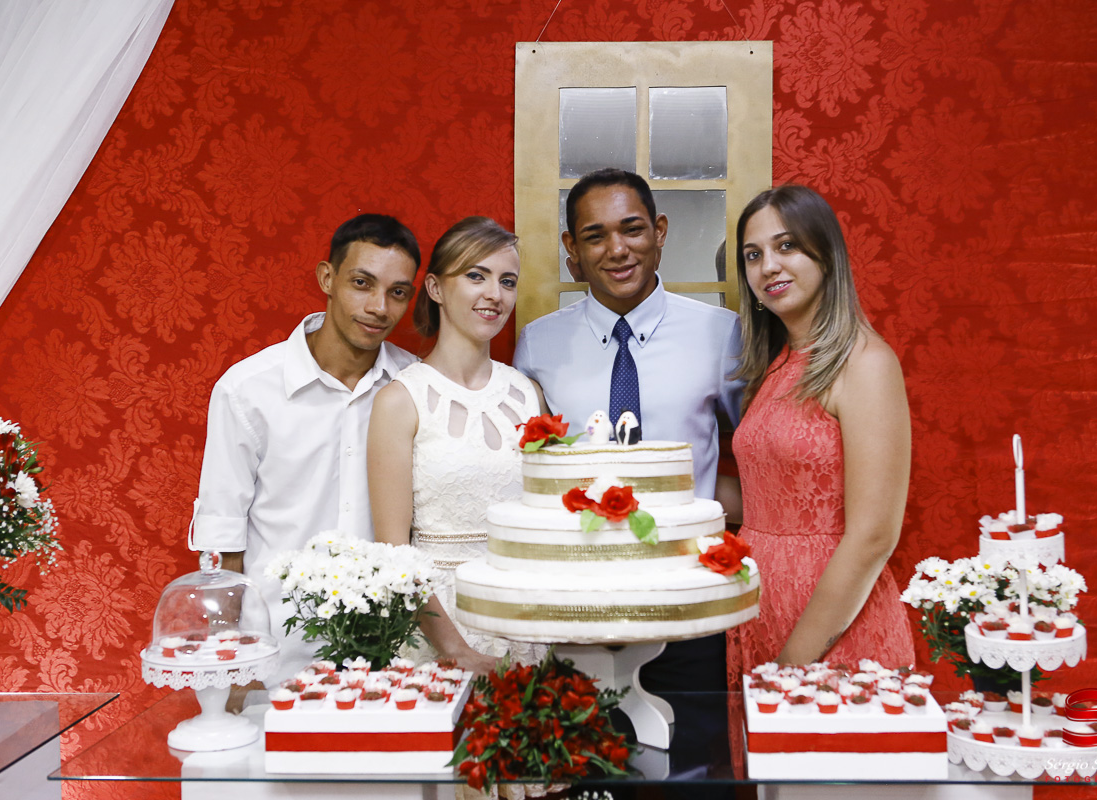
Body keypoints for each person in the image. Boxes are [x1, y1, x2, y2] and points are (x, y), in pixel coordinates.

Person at [513, 168, 742, 771]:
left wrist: (712, 509)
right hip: (575, 612)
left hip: (689, 607)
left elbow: (760, 450)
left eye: (632, 229)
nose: (617, 249)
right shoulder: (538, 344)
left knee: (694, 772)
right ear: (572, 251)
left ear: (659, 232)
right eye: (594, 235)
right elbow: (530, 470)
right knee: (581, 775)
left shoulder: (721, 335)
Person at [190, 213, 421, 680]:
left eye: (397, 292)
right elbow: (222, 535)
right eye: (362, 282)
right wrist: (229, 660)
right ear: (327, 278)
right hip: (275, 653)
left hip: (388, 653)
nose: (379, 307)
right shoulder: (248, 389)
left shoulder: (415, 386)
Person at [727, 184, 916, 682]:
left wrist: (792, 666)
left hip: (831, 633)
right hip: (759, 617)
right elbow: (771, 497)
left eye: (786, 246)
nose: (768, 266)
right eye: (753, 254)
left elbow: (875, 535)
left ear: (827, 256)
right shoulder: (776, 366)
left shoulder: (866, 363)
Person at [369, 217, 545, 676]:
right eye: (475, 275)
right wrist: (454, 649)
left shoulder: (529, 393)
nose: (495, 294)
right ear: (435, 288)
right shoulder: (398, 401)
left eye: (507, 281)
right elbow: (394, 554)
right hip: (440, 628)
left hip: (528, 618)